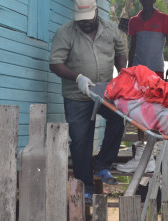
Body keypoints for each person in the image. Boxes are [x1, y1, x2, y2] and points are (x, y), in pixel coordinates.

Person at [49, 0, 127, 203]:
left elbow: (120, 52)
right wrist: (77, 78)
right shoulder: (66, 32)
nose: (85, 24)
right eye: (81, 21)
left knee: (118, 118)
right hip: (77, 94)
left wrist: (121, 76)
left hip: (104, 91)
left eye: (88, 20)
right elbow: (55, 63)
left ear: (96, 13)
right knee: (81, 140)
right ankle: (86, 188)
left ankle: (102, 165)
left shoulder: (110, 29)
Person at [128, 0, 168, 80]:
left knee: (156, 92)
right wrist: (129, 68)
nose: (146, 2)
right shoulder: (133, 21)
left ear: (154, 0)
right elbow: (132, 47)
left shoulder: (164, 19)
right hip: (137, 70)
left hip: (156, 70)